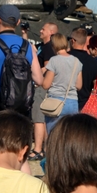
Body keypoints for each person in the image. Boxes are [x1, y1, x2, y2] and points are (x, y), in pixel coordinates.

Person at [28, 21, 59, 161]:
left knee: (38, 119)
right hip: (40, 85)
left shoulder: (49, 48)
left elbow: (48, 67)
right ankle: (44, 149)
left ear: (51, 32)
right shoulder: (43, 46)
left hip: (41, 86)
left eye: (43, 29)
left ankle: (38, 149)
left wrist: (37, 74)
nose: (40, 31)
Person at [41, 33, 83, 132]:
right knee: (69, 134)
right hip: (72, 102)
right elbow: (79, 85)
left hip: (55, 101)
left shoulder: (54, 60)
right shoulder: (77, 61)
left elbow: (46, 85)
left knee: (53, 134)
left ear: (53, 45)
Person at [69, 27, 97, 110]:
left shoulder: (64, 58)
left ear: (72, 41)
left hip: (65, 102)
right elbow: (95, 84)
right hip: (84, 104)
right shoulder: (93, 61)